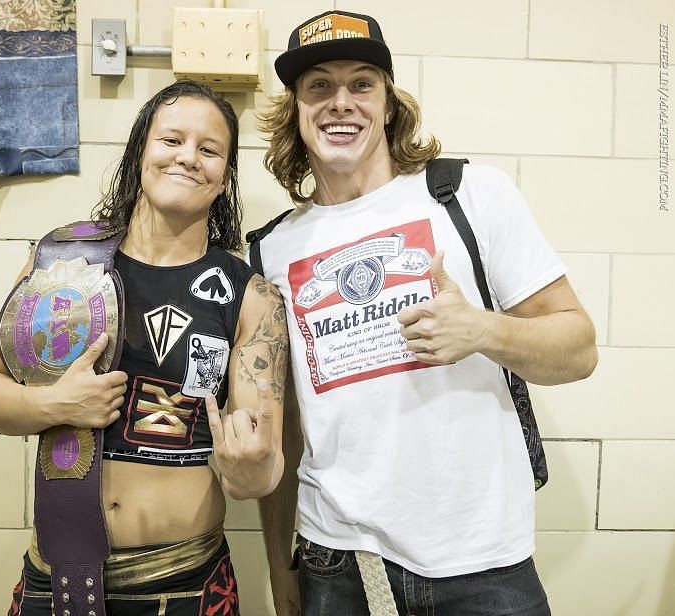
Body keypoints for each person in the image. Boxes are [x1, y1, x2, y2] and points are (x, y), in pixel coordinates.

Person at [254, 10, 598, 616]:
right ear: (297, 111)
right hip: (339, 562)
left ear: (388, 103)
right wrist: (279, 561)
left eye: (362, 83)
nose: (341, 102)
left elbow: (578, 349)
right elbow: (281, 428)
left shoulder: (469, 195)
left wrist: (484, 330)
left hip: (484, 559)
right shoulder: (272, 248)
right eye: (319, 86)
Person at [0, 80, 288, 615]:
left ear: (224, 178)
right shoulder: (63, 262)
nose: (188, 157)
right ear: (142, 148)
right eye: (171, 140)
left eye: (209, 150)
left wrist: (250, 470)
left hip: (185, 582)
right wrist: (53, 405)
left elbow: (260, 466)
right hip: (57, 582)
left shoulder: (251, 296)